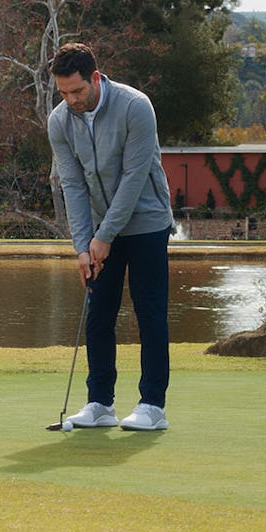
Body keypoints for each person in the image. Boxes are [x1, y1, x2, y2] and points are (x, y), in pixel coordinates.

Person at [47, 42, 174, 431]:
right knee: (99, 314)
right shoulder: (60, 121)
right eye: (64, 93)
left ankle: (153, 406)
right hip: (101, 230)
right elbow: (72, 183)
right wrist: (83, 246)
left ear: (96, 78)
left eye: (78, 91)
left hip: (148, 222)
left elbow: (135, 178)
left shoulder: (136, 107)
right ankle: (100, 403)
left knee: (149, 312)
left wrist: (104, 237)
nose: (71, 100)